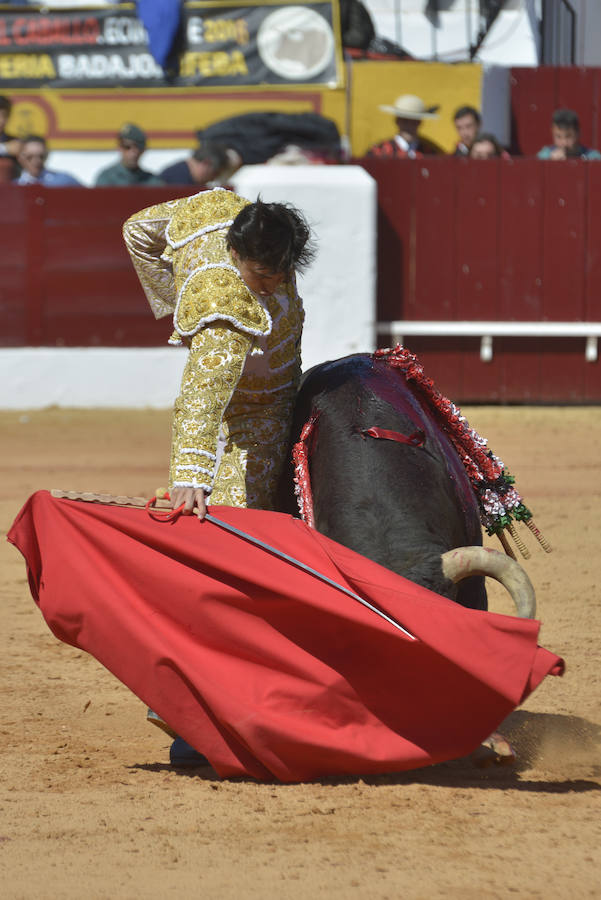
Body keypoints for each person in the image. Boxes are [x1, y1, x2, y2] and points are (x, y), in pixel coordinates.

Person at [367, 94, 441, 158]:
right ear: (397, 121)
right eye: (405, 120)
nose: (409, 125)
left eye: (414, 121)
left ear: (420, 123)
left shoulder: (429, 154)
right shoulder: (380, 152)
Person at [95, 123, 163, 186]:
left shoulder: (152, 181)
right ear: (119, 148)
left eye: (138, 147)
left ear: (143, 150)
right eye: (127, 147)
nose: (133, 152)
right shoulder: (106, 179)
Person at [15, 135, 81, 186]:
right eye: (30, 157)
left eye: (41, 156)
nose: (36, 161)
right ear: (20, 158)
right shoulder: (14, 187)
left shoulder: (64, 181)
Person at [537, 108, 601, 160]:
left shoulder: (593, 158)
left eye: (568, 136)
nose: (564, 142)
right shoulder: (545, 156)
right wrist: (550, 163)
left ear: (578, 133)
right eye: (558, 136)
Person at [158, 143, 229, 185]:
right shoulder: (179, 181)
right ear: (206, 163)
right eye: (215, 173)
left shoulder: (181, 171)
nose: (213, 179)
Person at [0, 95, 20, 159]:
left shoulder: (14, 141)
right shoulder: (9, 146)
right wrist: (5, 148)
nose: (1, 120)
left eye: (4, 115)